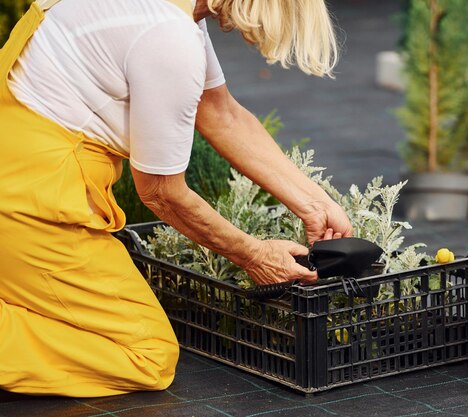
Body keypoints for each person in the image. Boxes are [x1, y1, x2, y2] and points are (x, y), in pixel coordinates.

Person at [0, 0, 352, 397]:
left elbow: (220, 112)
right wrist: (254, 254)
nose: (247, 34)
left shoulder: (170, 10)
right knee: (145, 354)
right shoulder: (167, 36)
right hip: (24, 208)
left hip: (14, 171)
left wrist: (314, 202)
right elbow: (161, 192)